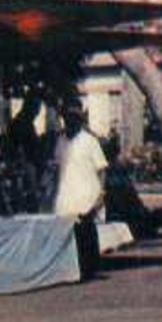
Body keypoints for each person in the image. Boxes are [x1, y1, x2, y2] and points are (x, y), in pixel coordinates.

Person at [53, 104, 108, 279]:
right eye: (67, 119)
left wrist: (101, 194)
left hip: (86, 195)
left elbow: (102, 169)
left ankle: (89, 270)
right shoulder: (61, 141)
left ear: (80, 121)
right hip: (66, 195)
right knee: (67, 236)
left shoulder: (90, 141)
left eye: (74, 119)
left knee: (86, 234)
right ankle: (71, 270)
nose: (70, 122)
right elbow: (56, 168)